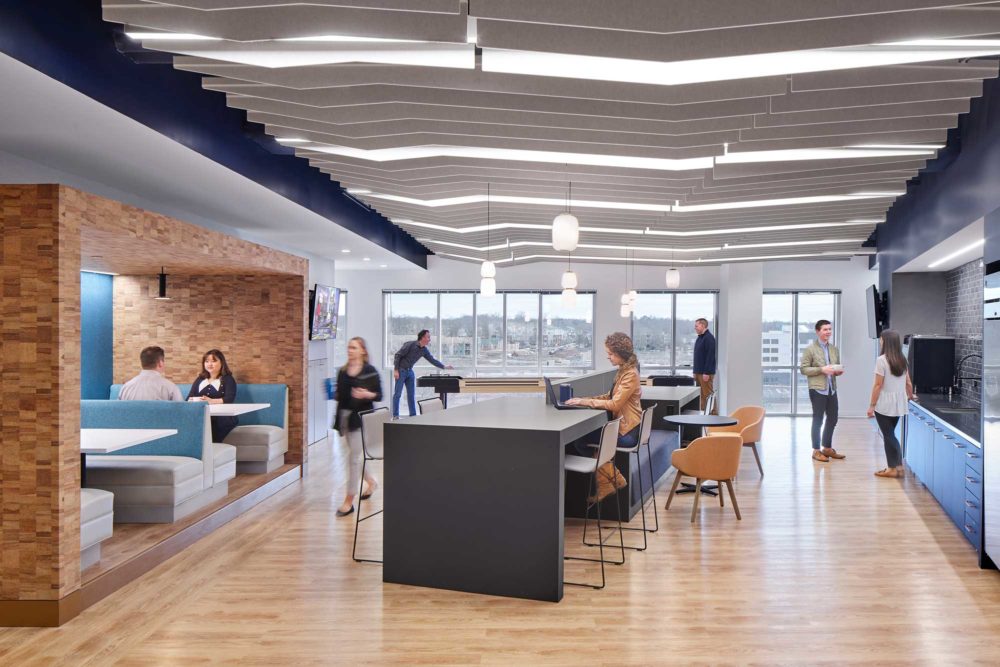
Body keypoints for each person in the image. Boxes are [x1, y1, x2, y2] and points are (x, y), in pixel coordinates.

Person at [565, 332, 642, 502]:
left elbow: (615, 404)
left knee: (580, 440)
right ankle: (606, 483)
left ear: (621, 353)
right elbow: (610, 396)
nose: (608, 357)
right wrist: (583, 401)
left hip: (628, 433)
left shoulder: (630, 374)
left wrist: (585, 401)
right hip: (626, 428)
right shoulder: (624, 370)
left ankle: (615, 478)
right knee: (587, 441)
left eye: (610, 354)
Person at [334, 337, 383, 517]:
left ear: (363, 350)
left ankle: (349, 500)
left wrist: (366, 394)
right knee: (355, 456)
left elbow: (379, 395)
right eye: (349, 347)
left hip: (362, 419)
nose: (350, 350)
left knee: (353, 458)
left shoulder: (370, 371)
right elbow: (340, 398)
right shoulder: (343, 371)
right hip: (346, 418)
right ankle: (371, 481)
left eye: (354, 347)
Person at [867, 330, 916, 478]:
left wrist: (871, 406)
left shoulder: (881, 360)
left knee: (888, 436)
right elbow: (908, 381)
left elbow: (877, 385)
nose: (880, 341)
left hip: (884, 403)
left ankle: (894, 467)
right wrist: (910, 395)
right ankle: (896, 466)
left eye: (881, 339)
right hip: (899, 403)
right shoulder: (902, 359)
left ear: (886, 341)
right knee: (890, 434)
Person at [800, 319, 846, 462]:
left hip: (831, 389)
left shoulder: (834, 349)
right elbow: (803, 369)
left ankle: (827, 448)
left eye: (830, 329)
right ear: (818, 331)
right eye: (825, 329)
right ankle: (816, 450)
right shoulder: (810, 349)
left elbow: (835, 366)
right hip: (817, 390)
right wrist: (822, 369)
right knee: (818, 420)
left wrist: (837, 371)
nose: (828, 332)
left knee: (833, 418)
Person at [391, 329, 453, 418]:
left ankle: (413, 416)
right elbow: (398, 355)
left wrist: (444, 366)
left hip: (410, 372)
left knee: (411, 395)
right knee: (398, 394)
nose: (429, 339)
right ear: (423, 337)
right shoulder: (410, 344)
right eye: (428, 337)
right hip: (401, 371)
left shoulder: (424, 350)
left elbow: (432, 360)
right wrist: (396, 370)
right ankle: (395, 416)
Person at [186, 349, 239, 443]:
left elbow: (229, 398)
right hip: (203, 414)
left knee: (211, 424)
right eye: (207, 361)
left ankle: (209, 451)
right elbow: (188, 398)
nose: (209, 364)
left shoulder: (228, 379)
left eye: (213, 361)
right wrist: (195, 400)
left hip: (223, 417)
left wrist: (211, 401)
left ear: (222, 362)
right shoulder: (200, 379)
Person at [119, 345, 184, 402]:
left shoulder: (125, 388)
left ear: (142, 363)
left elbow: (118, 412)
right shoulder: (170, 388)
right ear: (160, 363)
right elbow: (182, 412)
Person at [692, 317, 717, 414]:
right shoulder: (700, 338)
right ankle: (703, 415)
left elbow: (710, 357)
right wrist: (695, 371)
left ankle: (714, 415)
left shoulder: (709, 338)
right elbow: (697, 356)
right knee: (701, 396)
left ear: (703, 325)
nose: (695, 328)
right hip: (699, 373)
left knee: (708, 395)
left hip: (705, 373)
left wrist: (706, 372)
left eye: (696, 326)